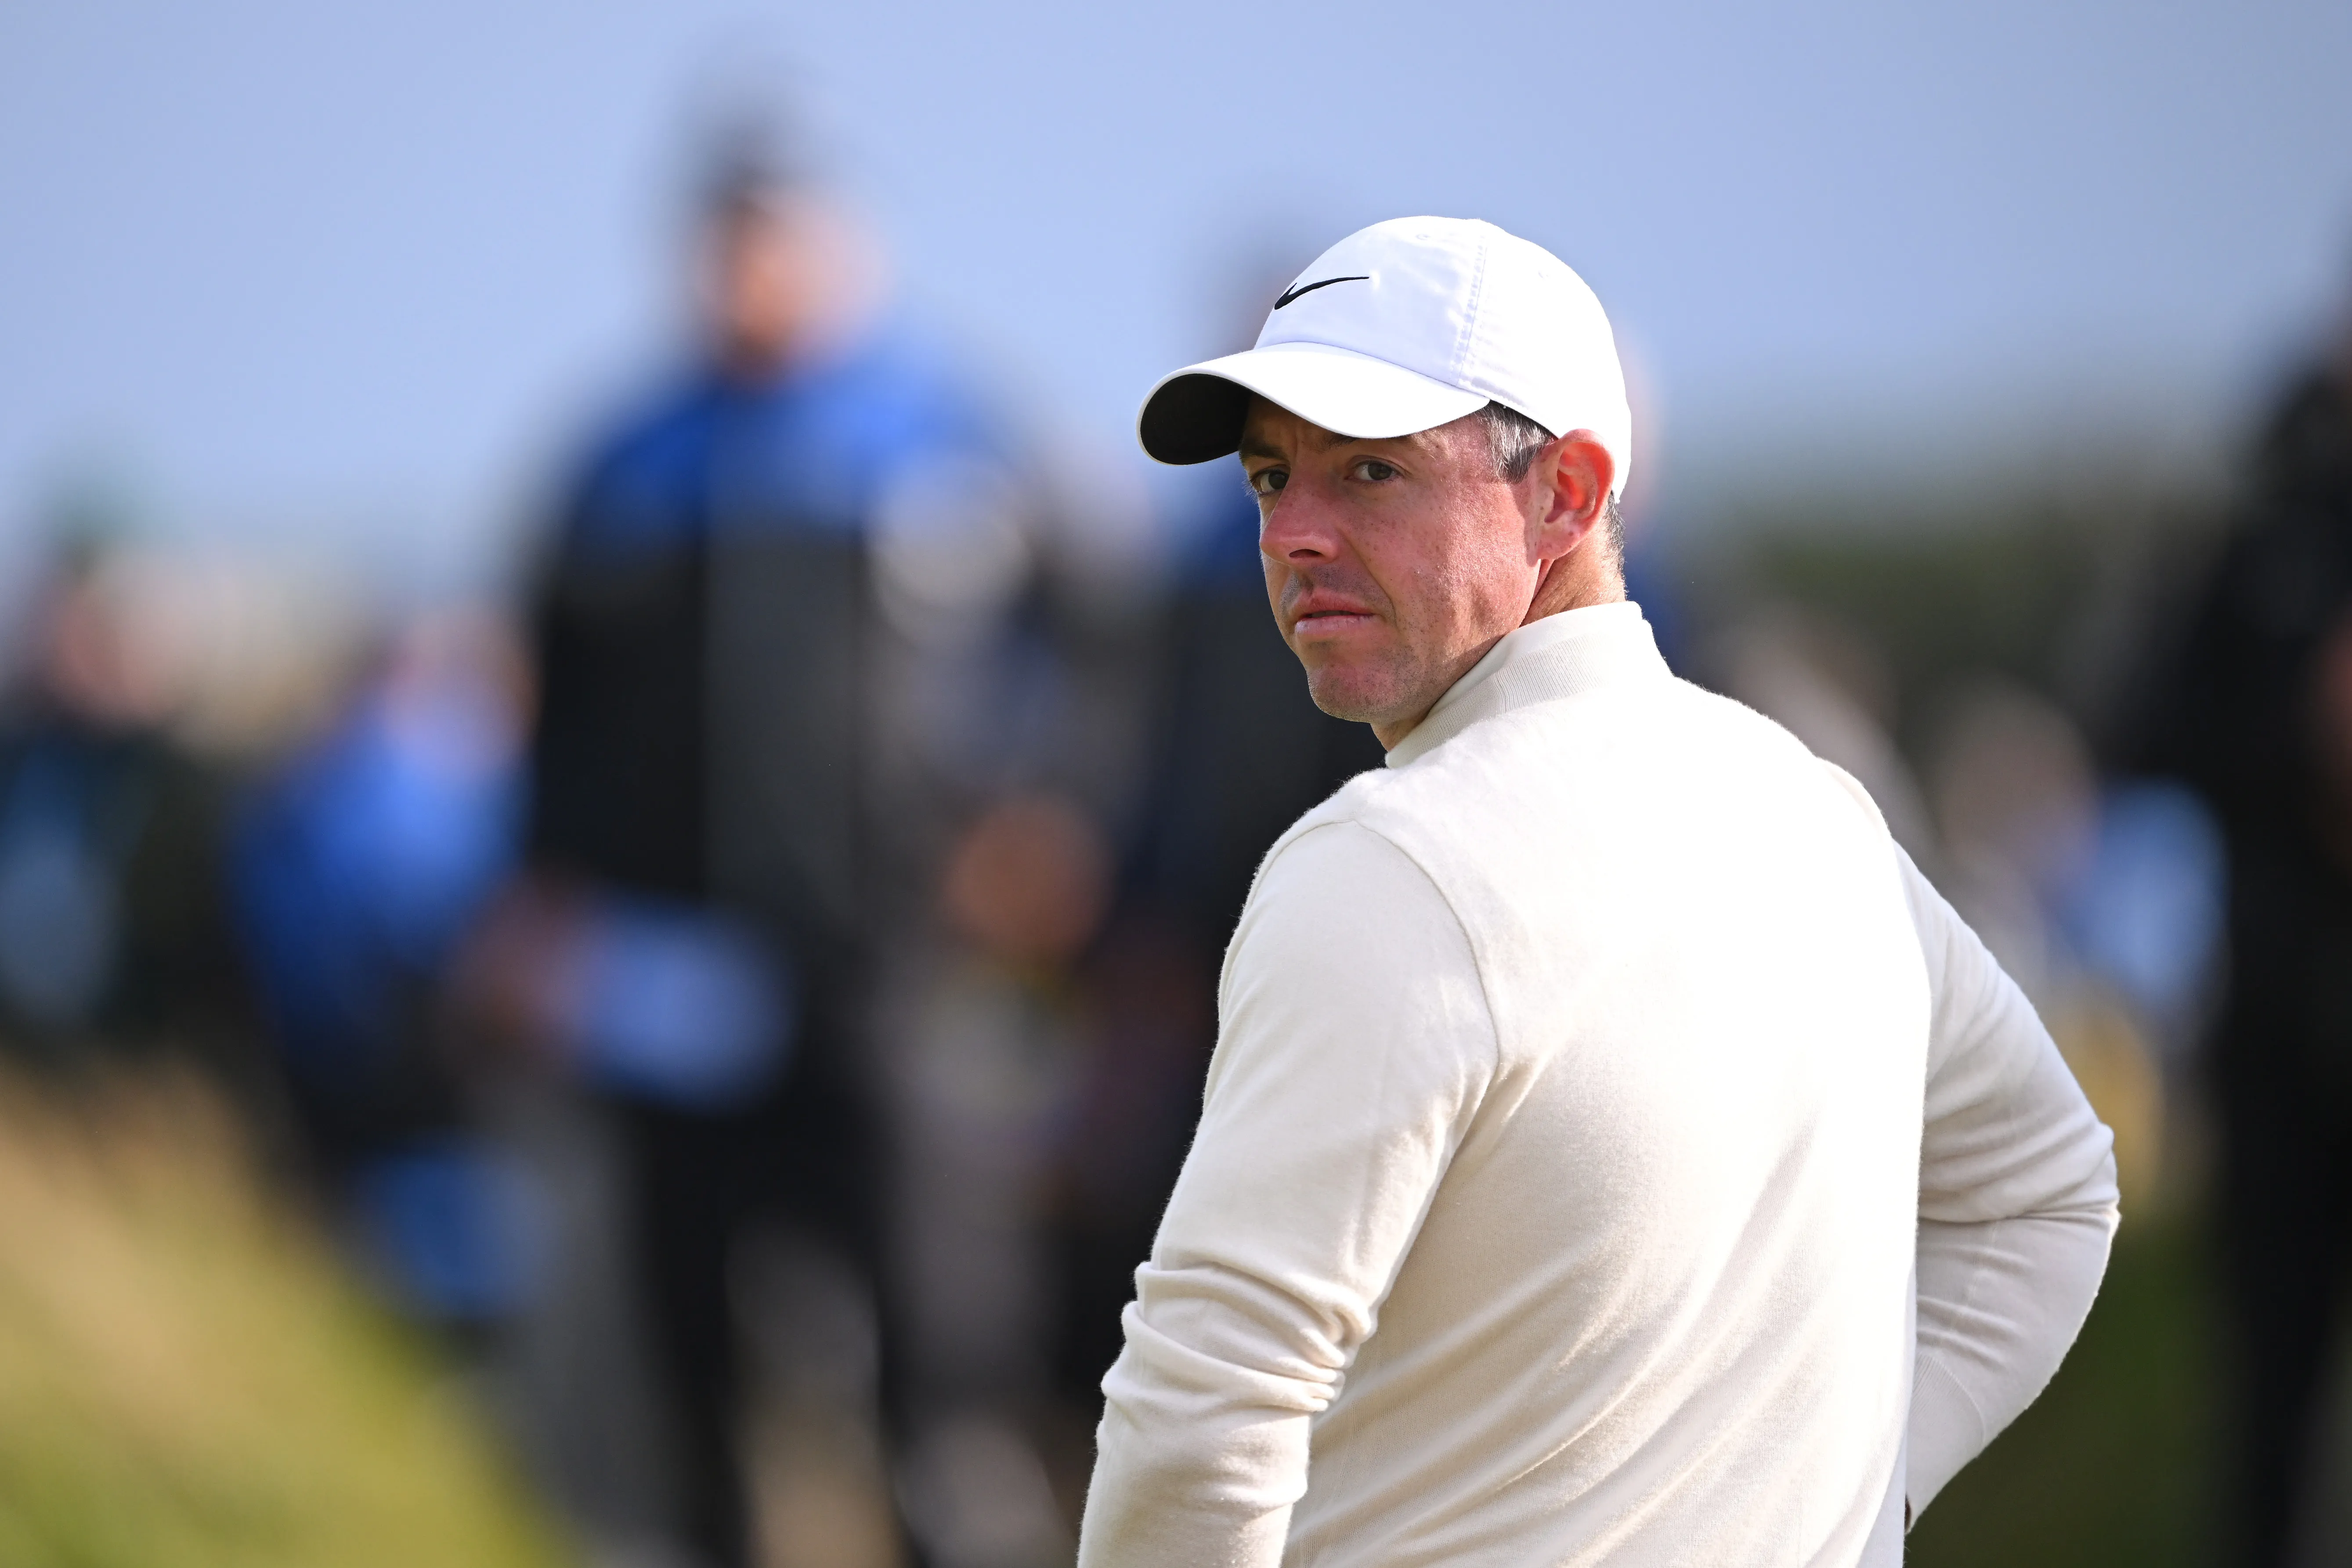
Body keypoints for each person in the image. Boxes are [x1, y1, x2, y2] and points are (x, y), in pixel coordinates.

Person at [1076, 216, 2120, 1566]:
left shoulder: (1384, 867)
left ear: (1567, 494)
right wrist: (1848, 1504)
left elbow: (1203, 1419)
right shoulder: (1820, 814)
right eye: (1274, 479)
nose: (1298, 536)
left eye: (1373, 471)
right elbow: (2052, 1196)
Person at [2132, 325, 2352, 1568]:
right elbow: (2150, 722)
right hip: (2281, 1027)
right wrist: (2303, 742)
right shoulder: (2271, 513)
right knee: (2274, 1420)